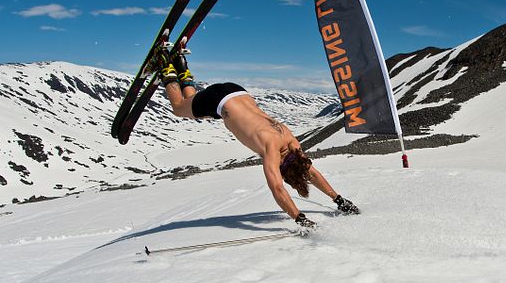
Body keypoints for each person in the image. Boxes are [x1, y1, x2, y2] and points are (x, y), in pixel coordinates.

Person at [146, 48, 360, 228]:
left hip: (237, 92)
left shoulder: (292, 143)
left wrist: (339, 200)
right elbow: (277, 188)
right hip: (220, 102)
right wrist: (300, 219)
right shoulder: (272, 152)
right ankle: (165, 65)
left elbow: (310, 172)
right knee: (179, 108)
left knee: (196, 108)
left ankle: (181, 66)